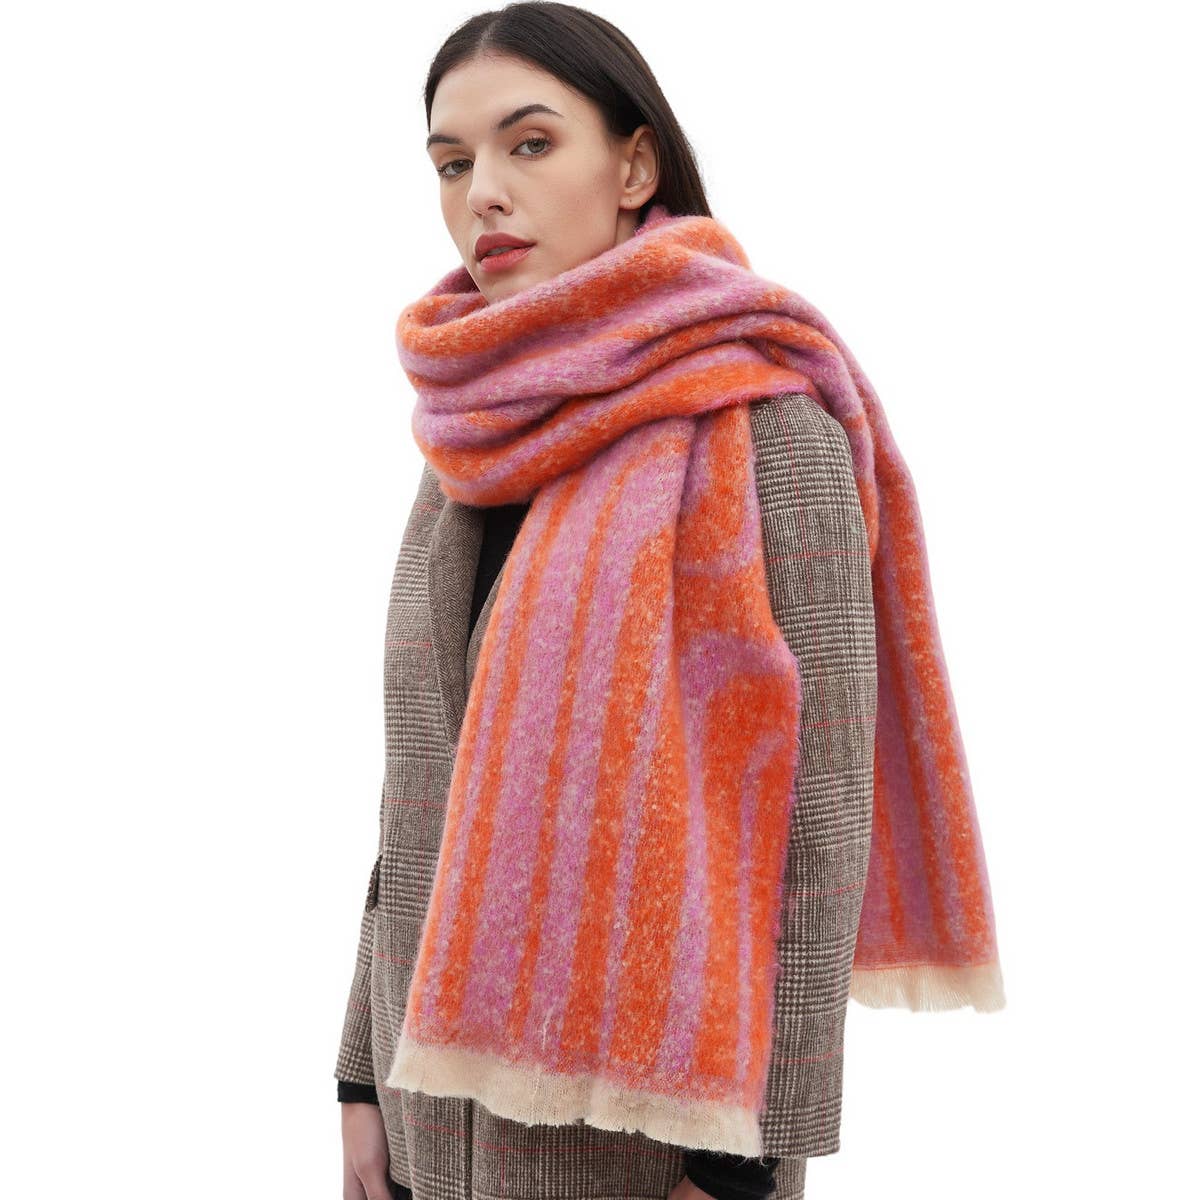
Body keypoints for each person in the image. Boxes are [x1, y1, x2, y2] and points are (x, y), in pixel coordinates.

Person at [336, 5, 1002, 1200]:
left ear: (635, 165)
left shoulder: (767, 431)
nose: (485, 192)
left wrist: (739, 1171)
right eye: (451, 162)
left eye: (530, 144)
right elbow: (416, 797)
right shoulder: (471, 444)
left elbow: (818, 829)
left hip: (655, 1149)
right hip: (424, 1116)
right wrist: (355, 1079)